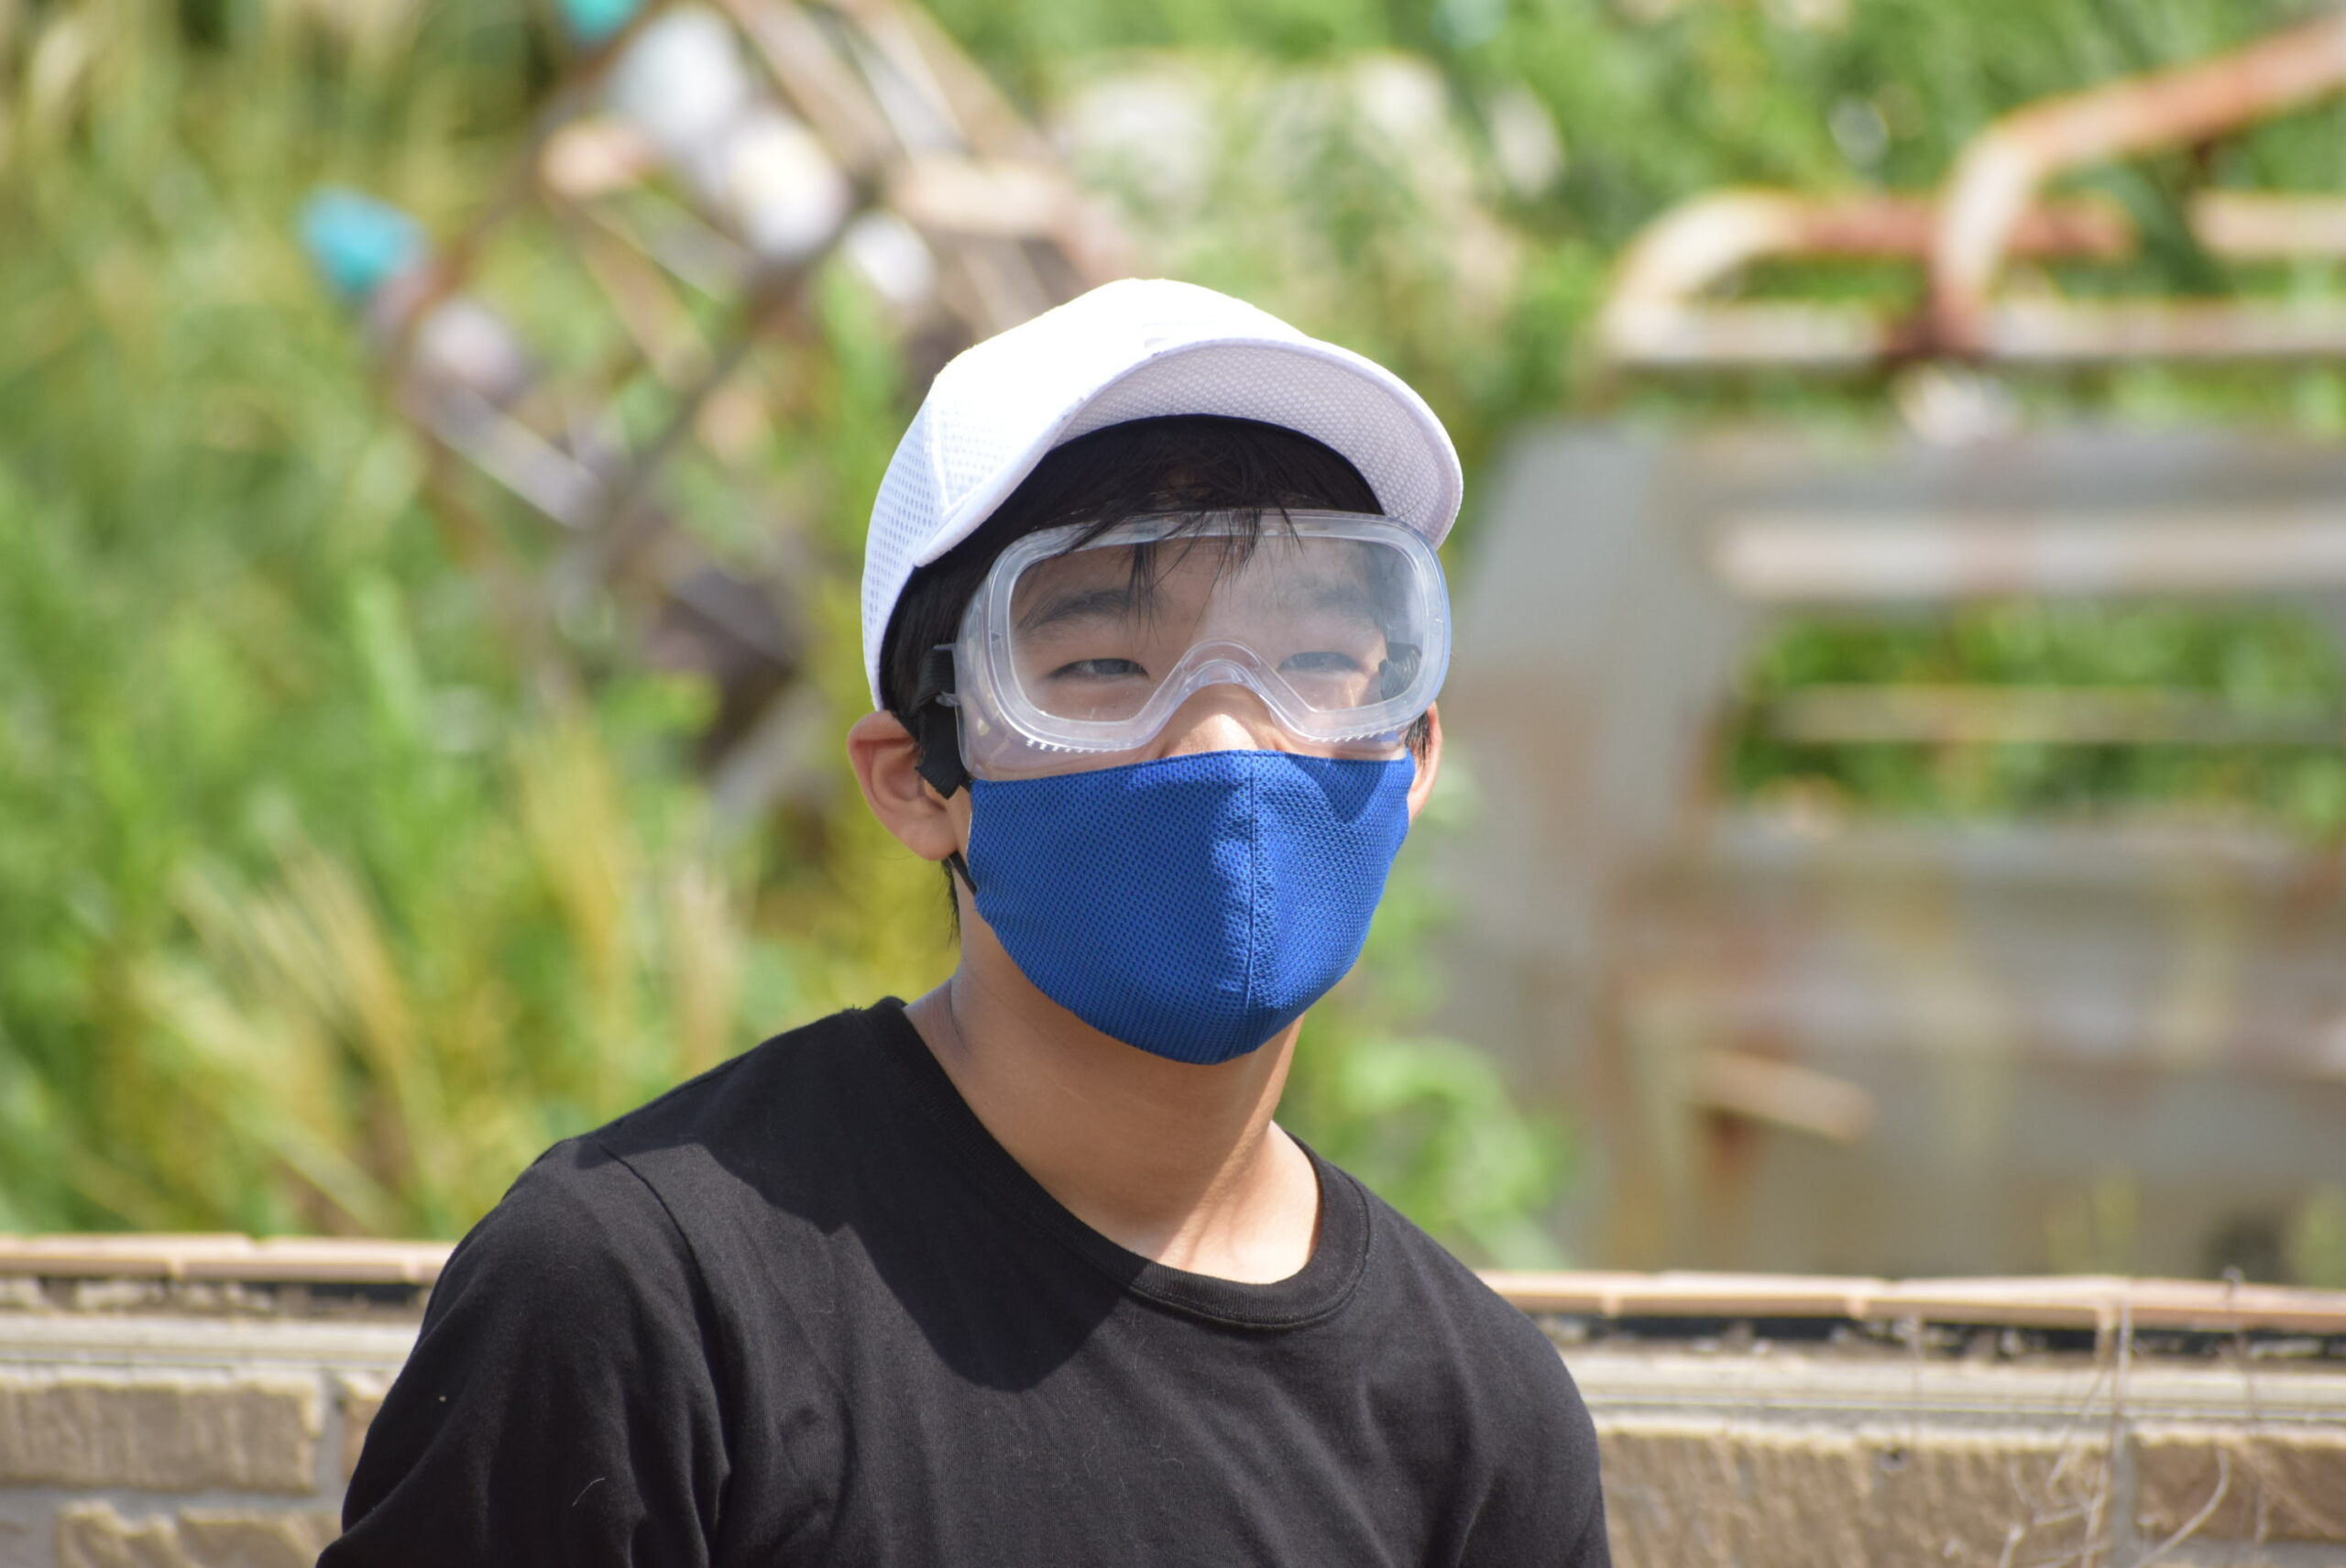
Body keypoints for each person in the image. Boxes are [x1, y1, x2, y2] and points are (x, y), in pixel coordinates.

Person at [323, 279, 1610, 1567]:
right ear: (918, 779)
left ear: (1416, 754)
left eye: (1318, 660)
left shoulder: (1483, 1427)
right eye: (1103, 665)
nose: (1227, 738)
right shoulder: (642, 1299)